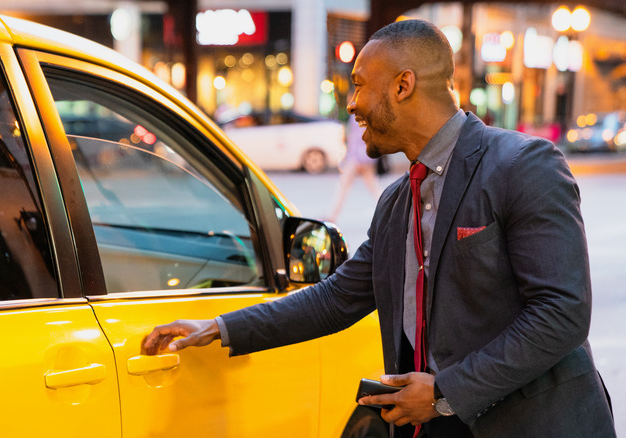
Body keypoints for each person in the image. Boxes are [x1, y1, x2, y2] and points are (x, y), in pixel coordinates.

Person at [143, 19, 615, 438]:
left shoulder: (521, 165)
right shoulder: (396, 200)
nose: (351, 105)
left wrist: (444, 392)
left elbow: (562, 313)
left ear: (402, 85)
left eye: (359, 85)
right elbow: (334, 299)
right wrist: (220, 327)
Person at [327, 112, 382, 222]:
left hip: (358, 159)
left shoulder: (359, 116)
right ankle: (332, 216)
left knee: (343, 187)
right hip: (363, 158)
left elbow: (358, 138)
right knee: (374, 188)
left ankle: (332, 217)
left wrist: (358, 159)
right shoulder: (369, 115)